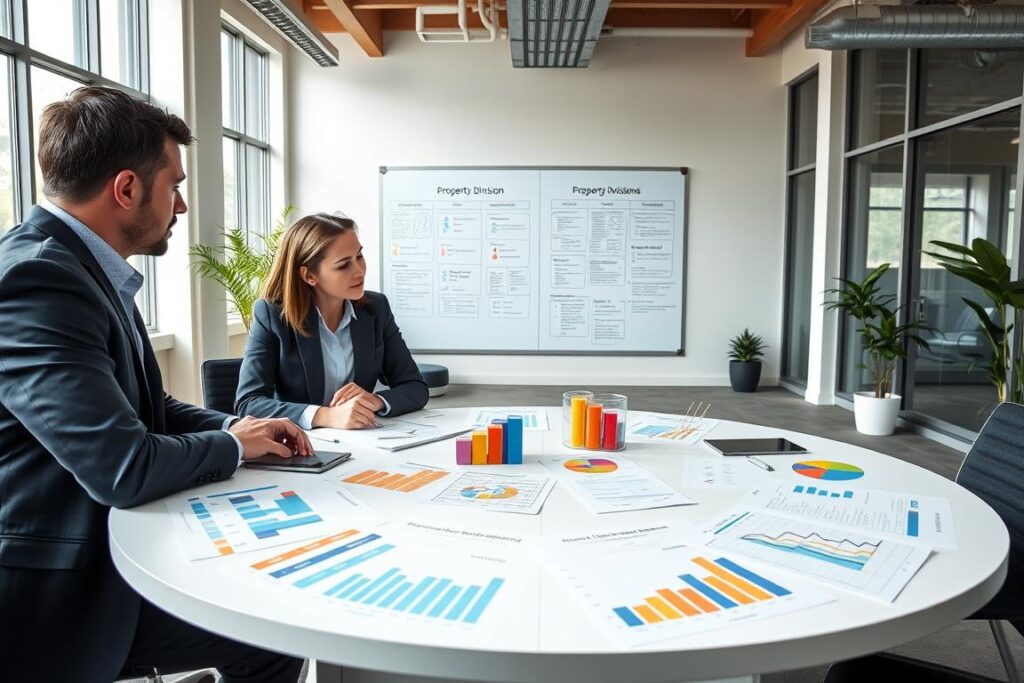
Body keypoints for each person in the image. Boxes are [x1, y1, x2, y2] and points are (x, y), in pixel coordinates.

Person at [0, 86, 311, 682]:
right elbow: (123, 466)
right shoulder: (40, 279)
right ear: (127, 189)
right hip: (54, 595)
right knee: (269, 629)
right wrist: (235, 447)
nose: (183, 207)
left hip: (104, 551)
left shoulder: (82, 266)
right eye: (176, 186)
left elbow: (150, 407)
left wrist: (234, 426)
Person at [235, 213, 428, 429]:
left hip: (363, 441)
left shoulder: (376, 309)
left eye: (359, 257)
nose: (359, 271)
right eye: (344, 265)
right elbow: (249, 404)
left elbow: (415, 387)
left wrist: (374, 401)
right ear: (309, 276)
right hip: (302, 445)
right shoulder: (272, 316)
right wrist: (326, 416)